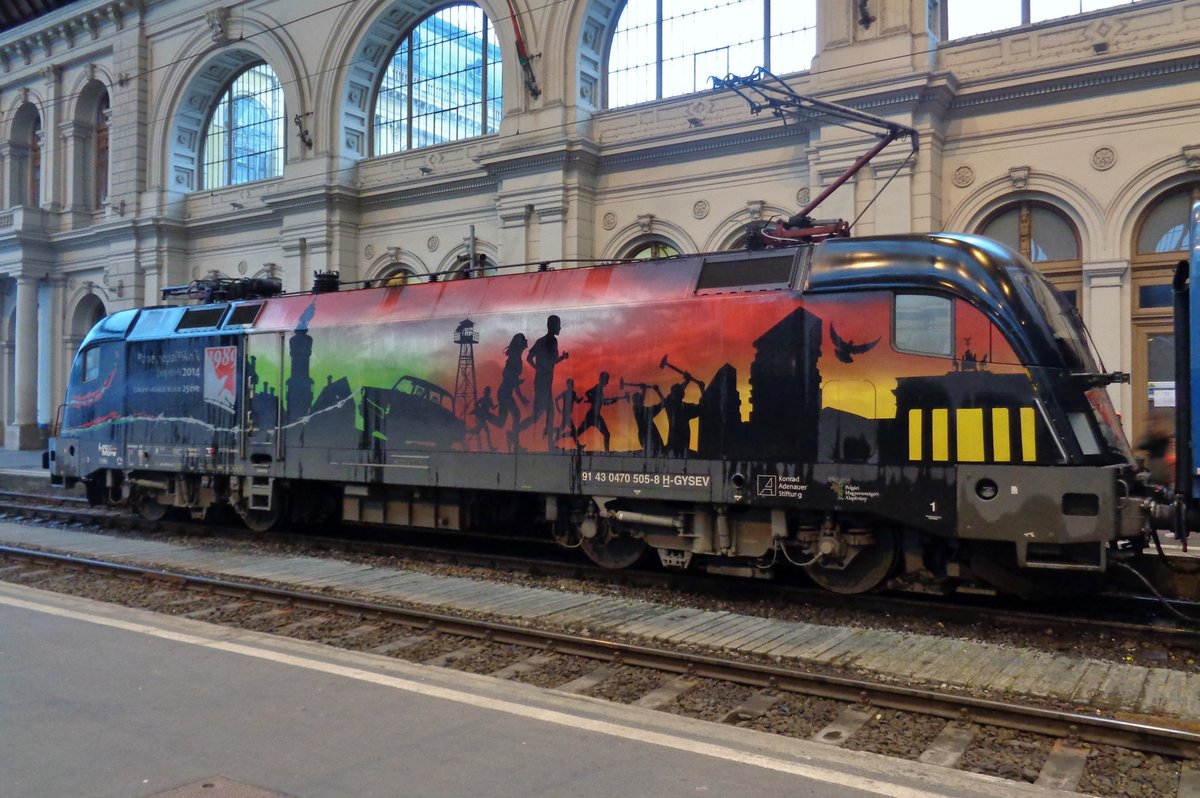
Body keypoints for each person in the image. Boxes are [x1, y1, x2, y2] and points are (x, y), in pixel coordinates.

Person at [524, 315, 568, 440]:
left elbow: (531, 358)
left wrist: (538, 368)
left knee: (541, 415)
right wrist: (539, 368)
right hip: (543, 383)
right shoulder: (552, 341)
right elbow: (550, 361)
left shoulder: (541, 341)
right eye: (558, 325)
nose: (560, 328)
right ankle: (550, 443)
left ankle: (548, 441)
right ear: (553, 326)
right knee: (547, 413)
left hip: (543, 382)